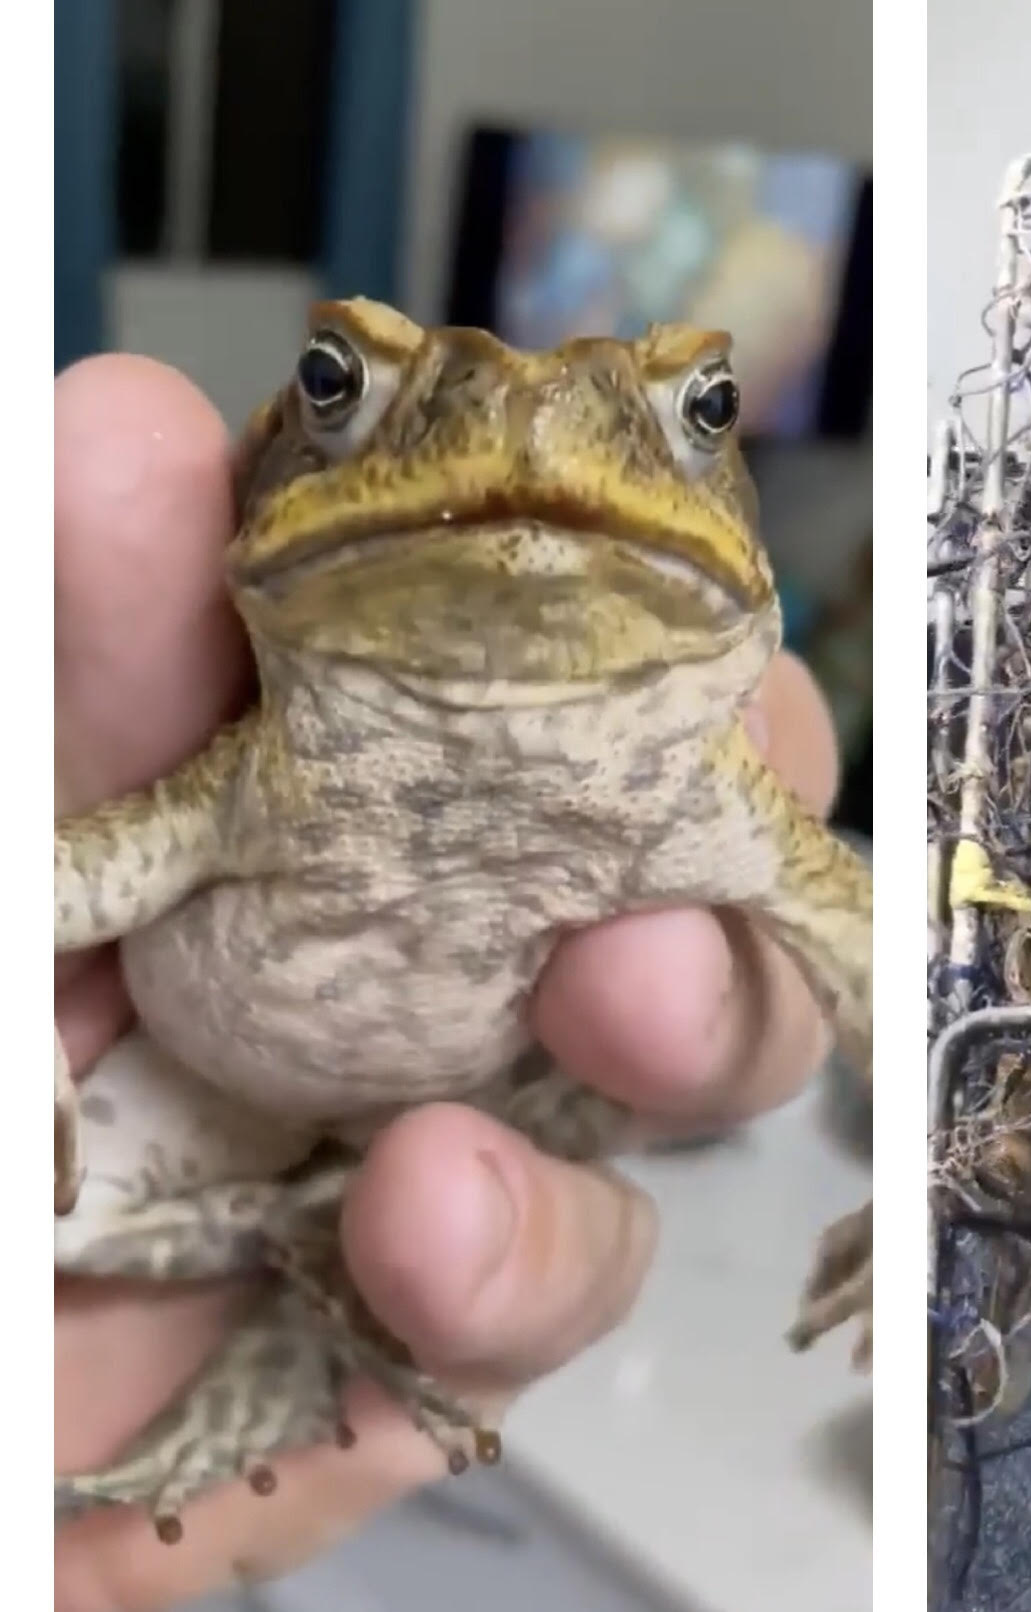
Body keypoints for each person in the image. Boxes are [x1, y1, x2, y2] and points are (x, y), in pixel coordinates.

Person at [54, 354, 839, 1612]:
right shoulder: (262, 756)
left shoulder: (704, 783)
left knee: (540, 1123)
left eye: (699, 414)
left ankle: (290, 1333)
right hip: (179, 1086)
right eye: (334, 387)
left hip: (467, 1114)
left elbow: (860, 947)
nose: (525, 448)